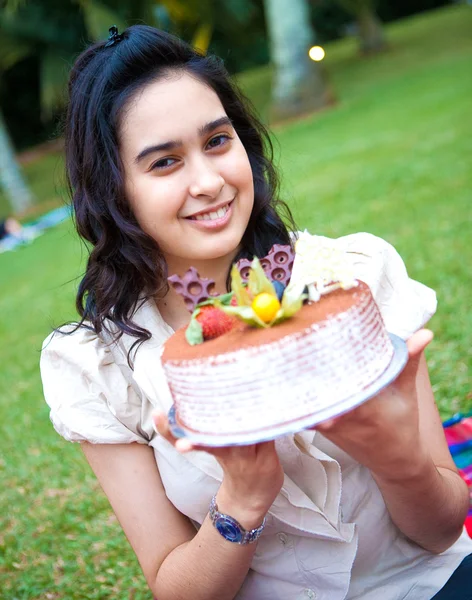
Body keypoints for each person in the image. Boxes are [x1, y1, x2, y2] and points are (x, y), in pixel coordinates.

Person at [40, 25, 472, 600]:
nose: (210, 181)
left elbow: (442, 531)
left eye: (217, 142)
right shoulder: (97, 365)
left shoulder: (352, 280)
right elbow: (177, 589)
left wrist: (399, 461)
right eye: (165, 162)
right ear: (114, 190)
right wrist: (240, 500)